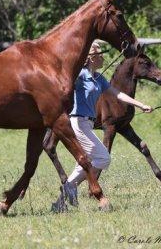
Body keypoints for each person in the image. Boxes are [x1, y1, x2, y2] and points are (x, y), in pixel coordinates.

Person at [53, 40, 153, 210]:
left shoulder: (99, 78)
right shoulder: (80, 75)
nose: (103, 58)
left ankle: (61, 199)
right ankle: (70, 188)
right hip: (77, 121)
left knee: (86, 160)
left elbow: (118, 94)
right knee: (103, 158)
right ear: (91, 58)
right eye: (100, 55)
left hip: (88, 124)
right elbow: (64, 77)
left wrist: (140, 104)